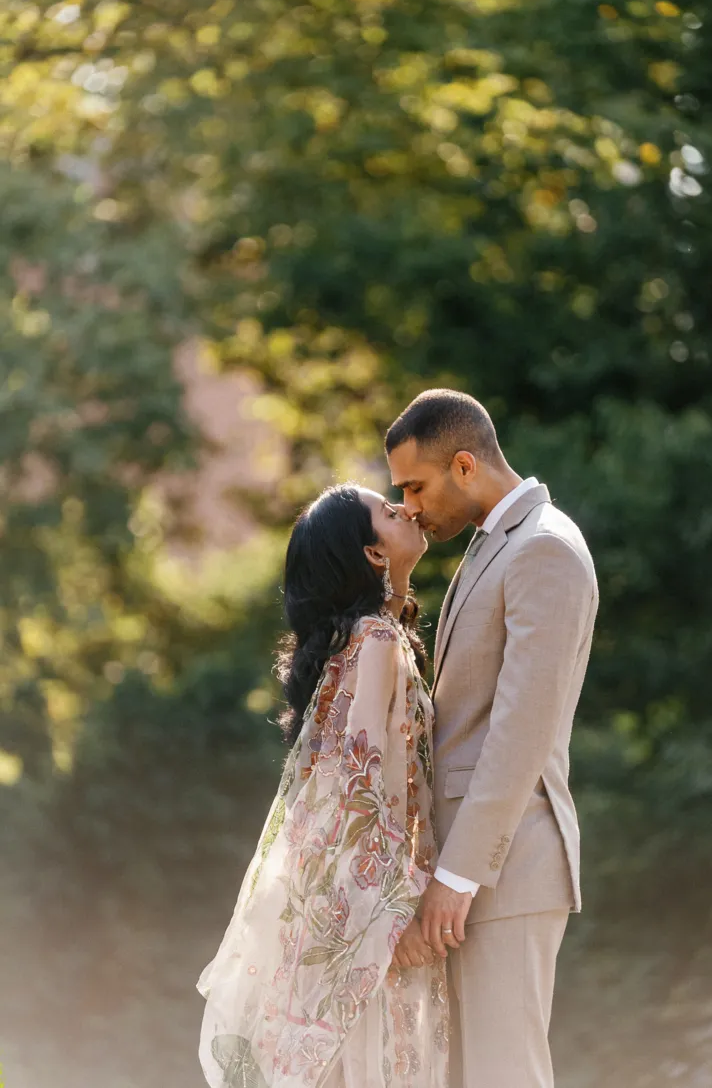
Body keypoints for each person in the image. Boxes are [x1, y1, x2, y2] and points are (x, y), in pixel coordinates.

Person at [196, 484, 449, 1088]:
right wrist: (394, 914)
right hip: (371, 906)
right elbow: (359, 784)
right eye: (389, 512)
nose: (408, 509)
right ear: (374, 555)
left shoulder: (361, 640)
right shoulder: (377, 643)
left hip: (342, 897)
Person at [385, 389, 599, 1088]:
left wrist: (457, 874)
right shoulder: (494, 546)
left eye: (416, 485)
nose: (410, 505)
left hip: (505, 870)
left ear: (466, 465)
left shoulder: (545, 550)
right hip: (475, 870)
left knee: (506, 1076)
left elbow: (519, 735)